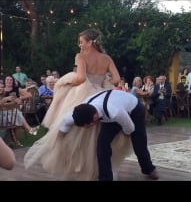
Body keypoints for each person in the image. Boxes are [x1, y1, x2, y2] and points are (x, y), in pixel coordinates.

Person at [24, 28, 133, 180]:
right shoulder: (106, 58)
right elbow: (116, 79)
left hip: (84, 95)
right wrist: (103, 82)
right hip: (102, 94)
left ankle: (80, 167)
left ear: (89, 43)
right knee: (99, 135)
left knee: (78, 134)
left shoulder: (81, 57)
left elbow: (81, 78)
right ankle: (105, 168)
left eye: (81, 42)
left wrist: (66, 81)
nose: (79, 45)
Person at [59, 89, 159, 181]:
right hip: (111, 110)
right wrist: (61, 137)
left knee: (139, 143)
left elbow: (130, 127)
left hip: (134, 109)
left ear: (94, 119)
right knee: (102, 144)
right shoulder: (83, 109)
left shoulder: (115, 112)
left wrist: (124, 134)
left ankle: (149, 169)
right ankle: (105, 178)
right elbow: (66, 122)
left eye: (86, 126)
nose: (85, 129)